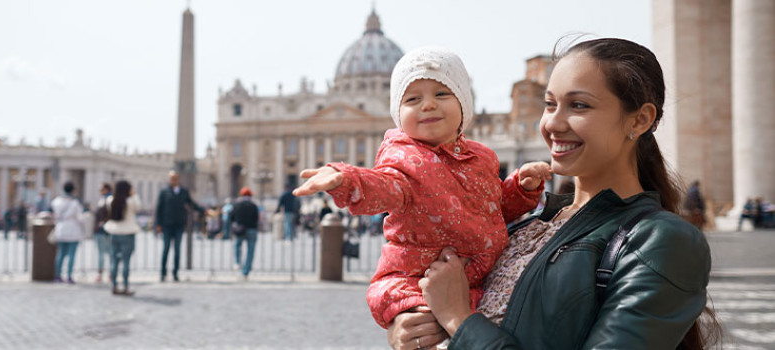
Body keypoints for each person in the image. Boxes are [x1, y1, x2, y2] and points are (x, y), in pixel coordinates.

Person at [389, 38, 719, 349]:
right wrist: (412, 327)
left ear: (640, 119)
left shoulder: (662, 241)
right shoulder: (524, 220)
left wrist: (458, 318)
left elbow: (462, 313)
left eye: (578, 105)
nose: (552, 123)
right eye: (549, 105)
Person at [293, 46, 549, 330]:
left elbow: (493, 210)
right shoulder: (403, 158)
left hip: (480, 279)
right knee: (429, 333)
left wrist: (521, 189)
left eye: (441, 94)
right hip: (417, 281)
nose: (428, 105)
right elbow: (384, 185)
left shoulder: (483, 157)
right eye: (413, 98)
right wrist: (347, 178)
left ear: (464, 105)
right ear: (398, 115)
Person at [155, 170, 203, 282]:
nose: (174, 180)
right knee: (166, 249)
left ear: (178, 179)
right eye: (172, 178)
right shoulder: (164, 191)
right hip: (167, 225)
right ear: (169, 179)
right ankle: (163, 272)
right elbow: (159, 208)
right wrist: (158, 224)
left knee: (177, 249)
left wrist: (203, 210)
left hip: (179, 224)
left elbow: (191, 204)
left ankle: (175, 273)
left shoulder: (184, 191)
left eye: (175, 178)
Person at [103, 180, 141, 295]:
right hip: (128, 232)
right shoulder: (131, 201)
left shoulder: (110, 200)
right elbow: (139, 207)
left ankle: (114, 285)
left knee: (114, 261)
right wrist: (134, 194)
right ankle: (125, 286)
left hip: (114, 232)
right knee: (126, 261)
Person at [51, 182, 84, 283]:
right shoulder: (75, 202)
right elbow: (80, 217)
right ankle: (69, 276)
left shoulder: (56, 201)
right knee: (71, 255)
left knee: (60, 254)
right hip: (73, 229)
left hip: (60, 229)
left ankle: (57, 275)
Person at [231, 187, 259, 280]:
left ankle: (238, 262)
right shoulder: (253, 205)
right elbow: (256, 218)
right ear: (250, 195)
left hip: (240, 229)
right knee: (250, 251)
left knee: (237, 245)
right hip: (251, 229)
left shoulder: (237, 204)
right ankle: (246, 271)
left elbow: (232, 217)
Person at [93, 183, 112, 283]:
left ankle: (102, 274)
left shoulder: (106, 199)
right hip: (106, 230)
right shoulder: (106, 199)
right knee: (109, 253)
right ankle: (110, 274)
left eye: (101, 189)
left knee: (103, 253)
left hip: (103, 230)